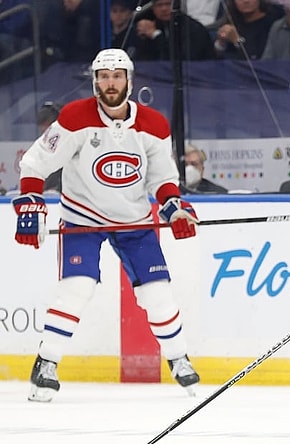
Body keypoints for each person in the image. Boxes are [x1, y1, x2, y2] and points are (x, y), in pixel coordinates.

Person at [13, 48, 201, 402]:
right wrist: (30, 203)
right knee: (77, 287)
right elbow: (36, 163)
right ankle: (46, 363)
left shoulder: (154, 124)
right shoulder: (74, 117)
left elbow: (163, 180)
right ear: (95, 81)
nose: (110, 83)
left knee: (157, 293)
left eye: (117, 76)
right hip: (82, 218)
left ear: (129, 80)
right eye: (104, 76)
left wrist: (174, 209)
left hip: (134, 221)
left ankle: (178, 359)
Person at [135, 0, 215, 61]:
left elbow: (184, 59)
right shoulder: (152, 26)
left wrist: (156, 35)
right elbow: (144, 58)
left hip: (197, 76)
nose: (164, 9)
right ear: (153, 9)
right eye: (159, 5)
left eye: (168, 4)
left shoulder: (193, 28)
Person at [214, 0, 284, 60]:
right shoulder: (232, 21)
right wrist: (221, 43)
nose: (246, 1)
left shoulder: (272, 23)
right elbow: (215, 59)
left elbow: (254, 58)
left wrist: (237, 40)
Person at [35, 101, 64, 193]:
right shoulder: (42, 146)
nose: (44, 129)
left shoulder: (70, 142)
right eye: (42, 125)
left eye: (47, 125)